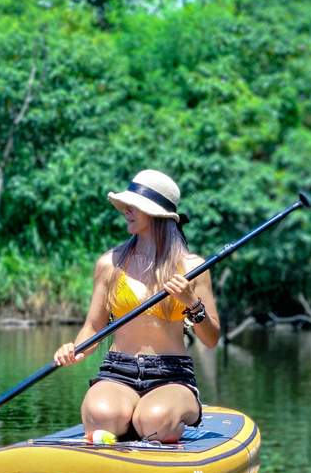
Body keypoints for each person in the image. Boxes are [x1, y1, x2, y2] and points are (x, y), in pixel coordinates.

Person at [53, 170, 220, 443]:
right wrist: (75, 349)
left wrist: (192, 303)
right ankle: (126, 422)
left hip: (171, 373)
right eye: (125, 206)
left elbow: (211, 339)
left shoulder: (192, 268)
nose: (126, 211)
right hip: (118, 371)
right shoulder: (110, 264)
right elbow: (93, 327)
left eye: (134, 206)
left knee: (155, 421)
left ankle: (153, 423)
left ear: (156, 214)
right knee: (99, 415)